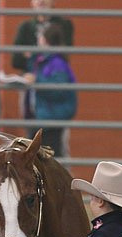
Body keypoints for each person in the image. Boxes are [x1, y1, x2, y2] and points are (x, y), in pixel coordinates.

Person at [12, 0, 74, 145]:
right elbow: (16, 60)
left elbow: (66, 52)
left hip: (49, 82)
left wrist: (31, 53)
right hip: (30, 88)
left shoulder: (64, 24)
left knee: (56, 139)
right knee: (32, 134)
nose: (41, 1)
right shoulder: (26, 27)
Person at [22, 23, 77, 157]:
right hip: (43, 115)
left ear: (45, 39)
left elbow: (58, 90)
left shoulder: (55, 62)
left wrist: (36, 81)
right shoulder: (44, 60)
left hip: (50, 116)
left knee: (51, 154)